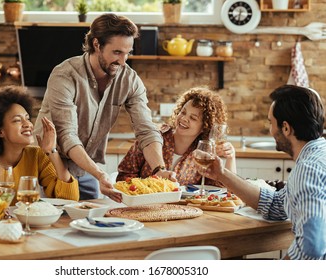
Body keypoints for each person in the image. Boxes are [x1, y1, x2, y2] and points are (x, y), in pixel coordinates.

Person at [33, 13, 175, 202]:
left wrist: (159, 170)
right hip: (49, 164)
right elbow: (67, 136)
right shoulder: (65, 75)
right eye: (117, 52)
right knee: (54, 225)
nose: (123, 61)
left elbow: (147, 130)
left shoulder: (129, 79)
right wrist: (99, 174)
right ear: (97, 45)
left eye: (128, 53)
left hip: (87, 169)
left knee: (93, 220)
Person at [195, 85, 326, 260]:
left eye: (270, 122)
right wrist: (222, 174)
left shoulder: (308, 169)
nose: (270, 130)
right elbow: (277, 206)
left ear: (286, 128)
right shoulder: (318, 156)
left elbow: (311, 249)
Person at [0, 86, 79, 205]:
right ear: (0, 131)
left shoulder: (37, 156)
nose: (28, 124)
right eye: (17, 120)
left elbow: (69, 200)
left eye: (27, 118)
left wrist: (52, 151)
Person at [117, 86, 237, 186]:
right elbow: (124, 176)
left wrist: (231, 158)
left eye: (193, 118)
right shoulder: (153, 137)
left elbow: (221, 189)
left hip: (186, 210)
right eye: (183, 112)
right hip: (144, 207)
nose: (184, 118)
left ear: (205, 126)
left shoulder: (205, 152)